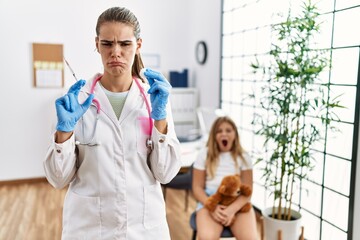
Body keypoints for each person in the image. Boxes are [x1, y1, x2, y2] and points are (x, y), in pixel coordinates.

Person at [43, 6, 181, 240]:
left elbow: (165, 173)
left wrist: (160, 120)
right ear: (97, 44)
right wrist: (64, 132)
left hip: (144, 229)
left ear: (138, 45)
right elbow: (58, 179)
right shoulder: (78, 100)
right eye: (107, 44)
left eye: (125, 44)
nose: (115, 52)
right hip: (89, 229)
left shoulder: (154, 99)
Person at [192, 116, 257, 240]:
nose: (224, 134)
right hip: (210, 199)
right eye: (219, 131)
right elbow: (197, 187)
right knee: (207, 237)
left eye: (228, 130)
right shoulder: (203, 154)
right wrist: (212, 207)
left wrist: (231, 210)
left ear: (235, 134)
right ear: (214, 135)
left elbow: (248, 191)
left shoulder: (244, 157)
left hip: (237, 201)